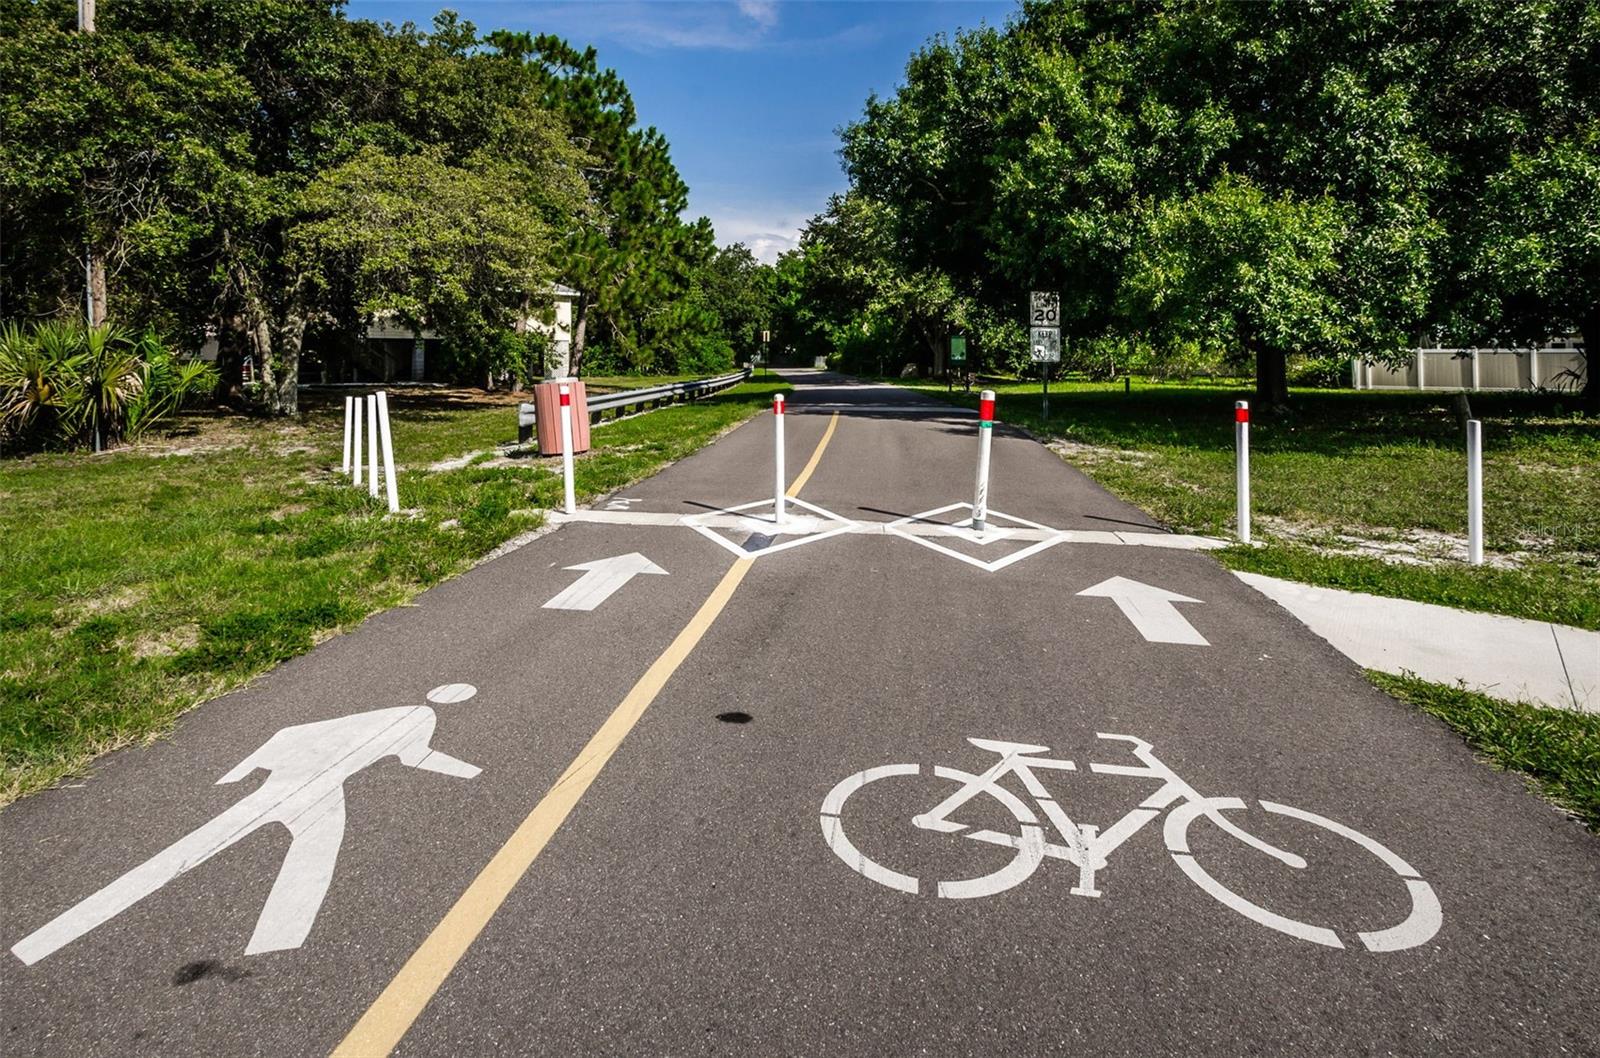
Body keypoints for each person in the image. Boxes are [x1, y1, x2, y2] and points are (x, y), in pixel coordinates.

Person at [12, 687, 481, 966]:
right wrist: (469, 772)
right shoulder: (419, 717)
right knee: (314, 850)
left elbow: (292, 735)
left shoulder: (403, 713)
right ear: (456, 698)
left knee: (197, 847)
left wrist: (241, 770)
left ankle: (54, 933)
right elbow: (415, 757)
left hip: (293, 780)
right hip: (316, 786)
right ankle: (275, 942)